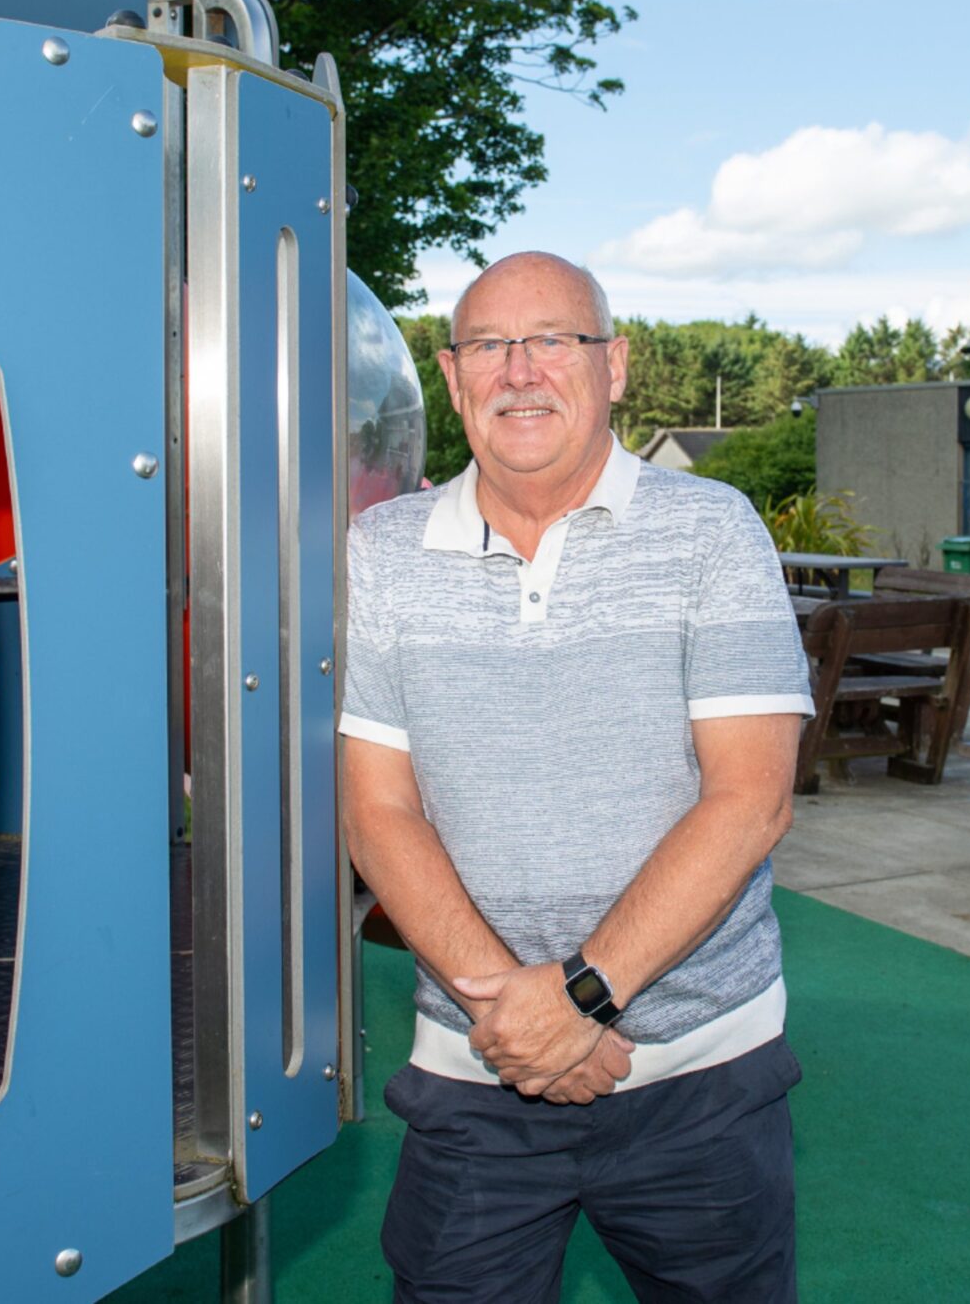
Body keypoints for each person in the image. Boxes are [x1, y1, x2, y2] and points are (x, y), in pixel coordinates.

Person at [339, 251, 813, 1303]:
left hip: (701, 1068)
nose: (520, 371)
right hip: (478, 1063)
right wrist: (519, 1015)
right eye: (488, 347)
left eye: (554, 339)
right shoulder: (380, 552)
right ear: (452, 375)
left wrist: (584, 993)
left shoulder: (711, 531)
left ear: (615, 367)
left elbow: (750, 799)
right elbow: (376, 812)